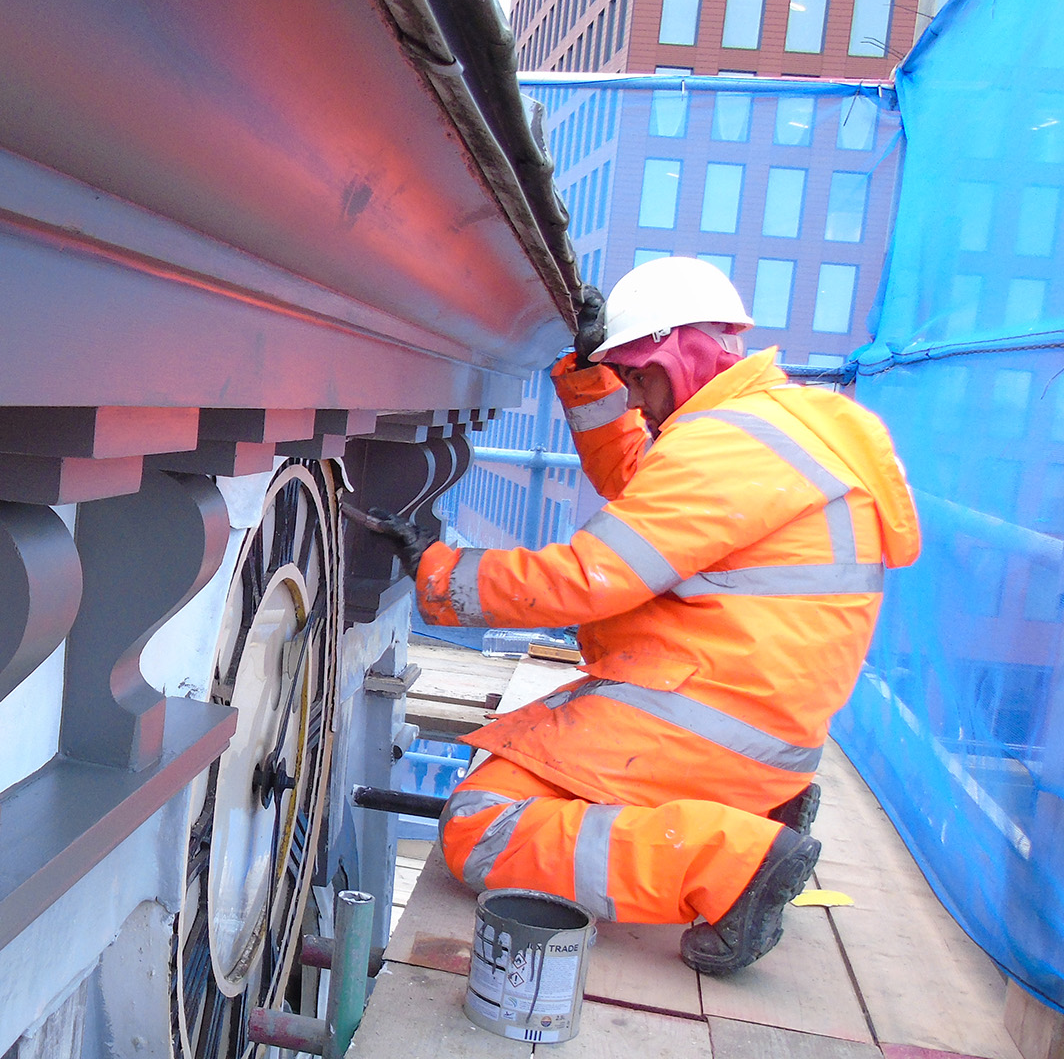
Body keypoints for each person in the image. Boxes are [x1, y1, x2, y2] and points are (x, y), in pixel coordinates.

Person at [355, 256, 919, 975]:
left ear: (681, 350)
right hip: (753, 718)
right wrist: (592, 376)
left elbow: (589, 578)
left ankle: (731, 865)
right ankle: (750, 817)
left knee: (478, 828)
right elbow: (643, 487)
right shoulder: (789, 423)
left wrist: (437, 569)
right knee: (521, 775)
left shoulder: (728, 445)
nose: (636, 402)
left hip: (707, 715)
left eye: (638, 378)